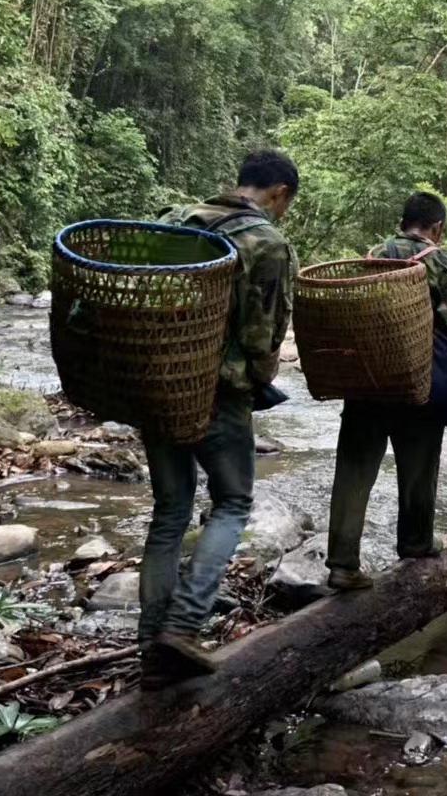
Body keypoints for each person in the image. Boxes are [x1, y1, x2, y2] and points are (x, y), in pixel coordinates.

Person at [139, 149, 298, 687]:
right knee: (232, 502)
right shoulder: (266, 242)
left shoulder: (175, 221)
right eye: (286, 204)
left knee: (169, 511)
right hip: (216, 392)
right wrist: (260, 379)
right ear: (278, 193)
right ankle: (183, 626)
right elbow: (260, 338)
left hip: (154, 382)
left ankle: (151, 646)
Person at [325, 191, 447, 591]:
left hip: (366, 381)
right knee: (419, 468)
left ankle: (342, 563)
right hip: (417, 383)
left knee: (354, 470)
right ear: (437, 227)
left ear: (402, 221)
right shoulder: (442, 261)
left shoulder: (371, 256)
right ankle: (416, 542)